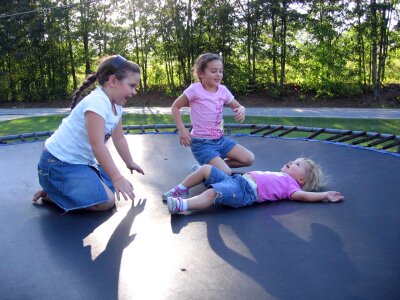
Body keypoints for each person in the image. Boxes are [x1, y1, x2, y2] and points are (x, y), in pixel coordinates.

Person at [32, 54, 144, 212]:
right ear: (113, 81)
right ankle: (54, 191)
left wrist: (129, 162)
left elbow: (118, 138)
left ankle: (60, 188)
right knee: (107, 201)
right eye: (132, 85)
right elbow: (97, 145)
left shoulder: (116, 106)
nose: (134, 91)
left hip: (80, 163)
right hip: (57, 164)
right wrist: (117, 177)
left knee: (112, 186)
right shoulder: (96, 103)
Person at [171, 53, 254, 175]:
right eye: (214, 71)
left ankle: (205, 169)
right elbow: (175, 107)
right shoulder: (194, 89)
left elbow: (238, 106)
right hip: (202, 143)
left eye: (220, 71)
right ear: (201, 73)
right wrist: (182, 130)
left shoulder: (223, 90)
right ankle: (209, 170)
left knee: (249, 159)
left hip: (220, 140)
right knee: (226, 172)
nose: (218, 74)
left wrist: (242, 109)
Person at [163, 157, 344, 214]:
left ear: (301, 180)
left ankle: (182, 205)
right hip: (237, 180)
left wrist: (324, 195)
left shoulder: (292, 187)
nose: (292, 162)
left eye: (297, 165)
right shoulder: (281, 175)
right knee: (205, 168)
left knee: (213, 193)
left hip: (244, 193)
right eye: (294, 160)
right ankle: (180, 189)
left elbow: (304, 196)